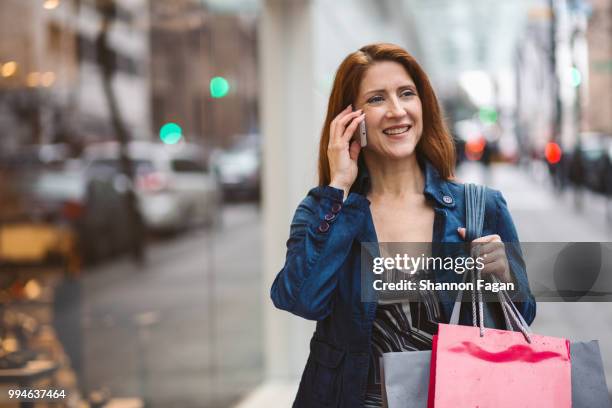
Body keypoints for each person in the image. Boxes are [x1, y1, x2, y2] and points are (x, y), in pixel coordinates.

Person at [270, 43, 536, 408]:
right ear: (351, 119)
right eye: (377, 99)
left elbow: (522, 314)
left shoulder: (480, 206)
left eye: (406, 93)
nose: (397, 111)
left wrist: (505, 275)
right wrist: (339, 188)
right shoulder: (327, 210)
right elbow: (301, 299)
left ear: (423, 103)